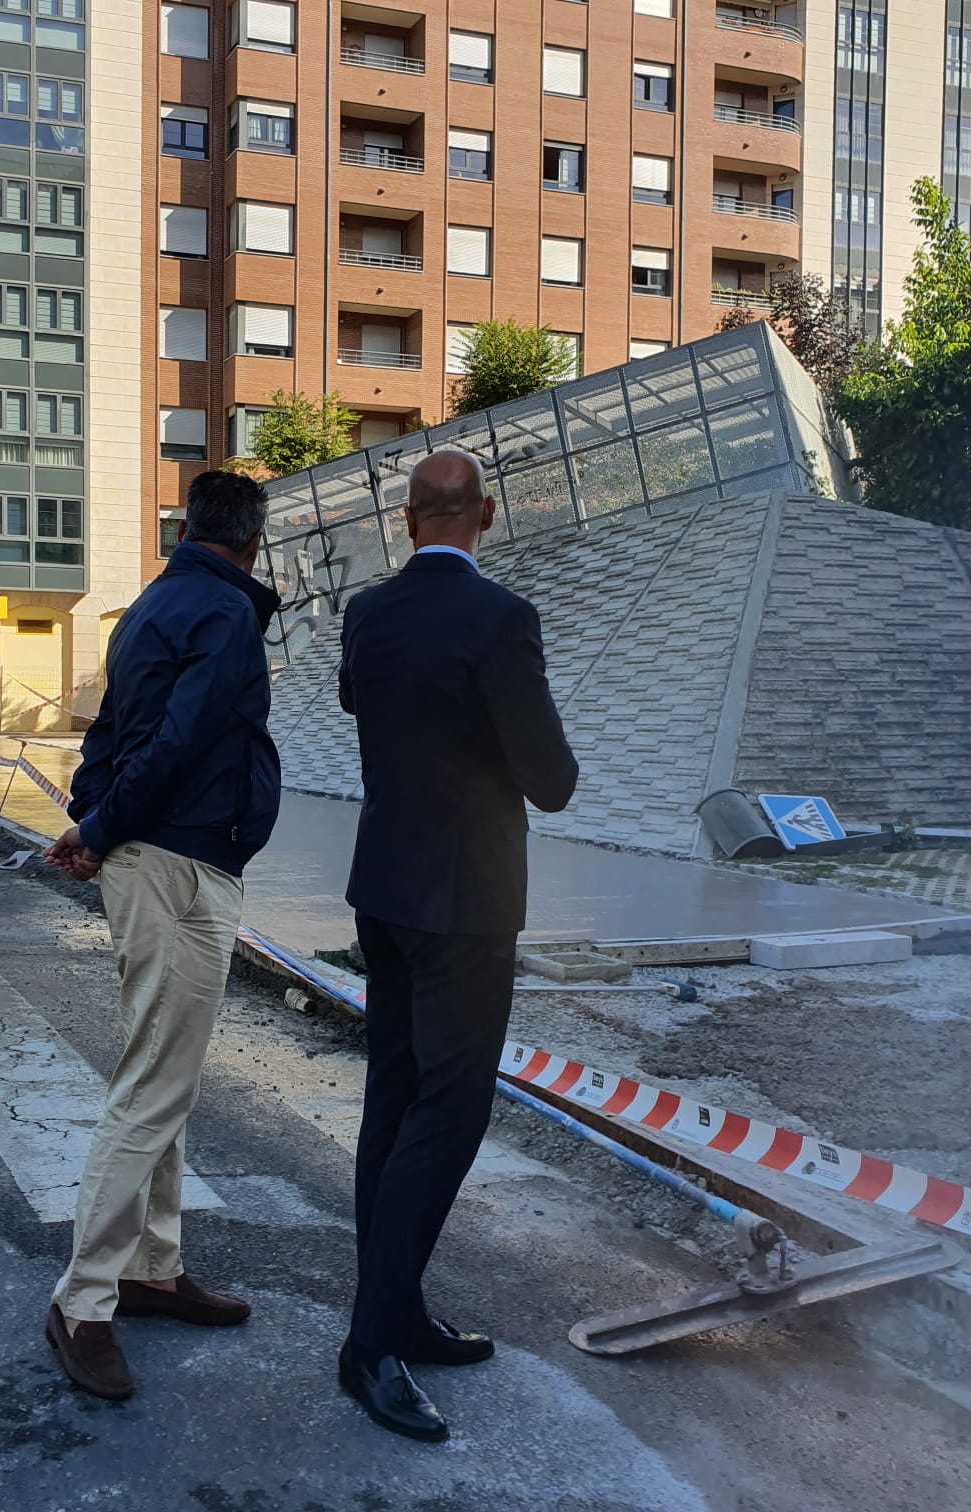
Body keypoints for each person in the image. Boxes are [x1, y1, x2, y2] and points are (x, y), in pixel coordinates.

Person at [334, 449, 578, 1442]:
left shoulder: (366, 615)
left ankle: (394, 1315)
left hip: (383, 890)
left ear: (406, 520)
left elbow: (367, 711)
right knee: (452, 1111)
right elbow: (551, 779)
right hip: (467, 900)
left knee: (393, 1099)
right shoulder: (501, 619)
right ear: (487, 515)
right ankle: (369, 1343)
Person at [42, 470, 281, 1403]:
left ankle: (151, 1267)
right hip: (181, 868)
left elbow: (110, 732)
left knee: (163, 1076)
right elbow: (179, 739)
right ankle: (83, 1301)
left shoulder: (149, 608)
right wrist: (100, 831)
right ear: (253, 542)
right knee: (151, 1087)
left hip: (149, 859)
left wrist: (94, 820)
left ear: (190, 527)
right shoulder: (223, 615)